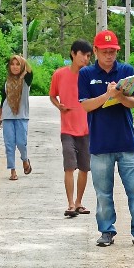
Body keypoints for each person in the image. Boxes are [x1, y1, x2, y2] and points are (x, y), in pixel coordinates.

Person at [78, 30, 134, 248]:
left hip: (126, 142)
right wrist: (107, 96)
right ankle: (106, 231)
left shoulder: (126, 71)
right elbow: (85, 105)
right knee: (103, 192)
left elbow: (133, 103)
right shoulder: (86, 74)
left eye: (113, 52)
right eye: (105, 51)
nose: (110, 56)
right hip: (100, 144)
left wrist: (119, 95)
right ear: (96, 50)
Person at [49, 39, 94, 217]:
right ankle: (69, 204)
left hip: (87, 129)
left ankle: (78, 202)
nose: (85, 59)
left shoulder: (89, 76)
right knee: (69, 167)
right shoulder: (59, 74)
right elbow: (52, 95)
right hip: (67, 129)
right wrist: (59, 105)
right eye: (83, 54)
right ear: (73, 53)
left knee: (84, 168)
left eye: (89, 56)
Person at [0, 55, 33, 180]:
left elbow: (30, 70)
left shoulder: (26, 79)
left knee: (21, 143)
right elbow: (3, 98)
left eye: (18, 64)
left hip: (22, 115)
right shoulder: (7, 81)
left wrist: (23, 59)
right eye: (12, 64)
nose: (15, 67)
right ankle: (12, 170)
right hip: (8, 115)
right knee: (9, 144)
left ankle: (25, 160)